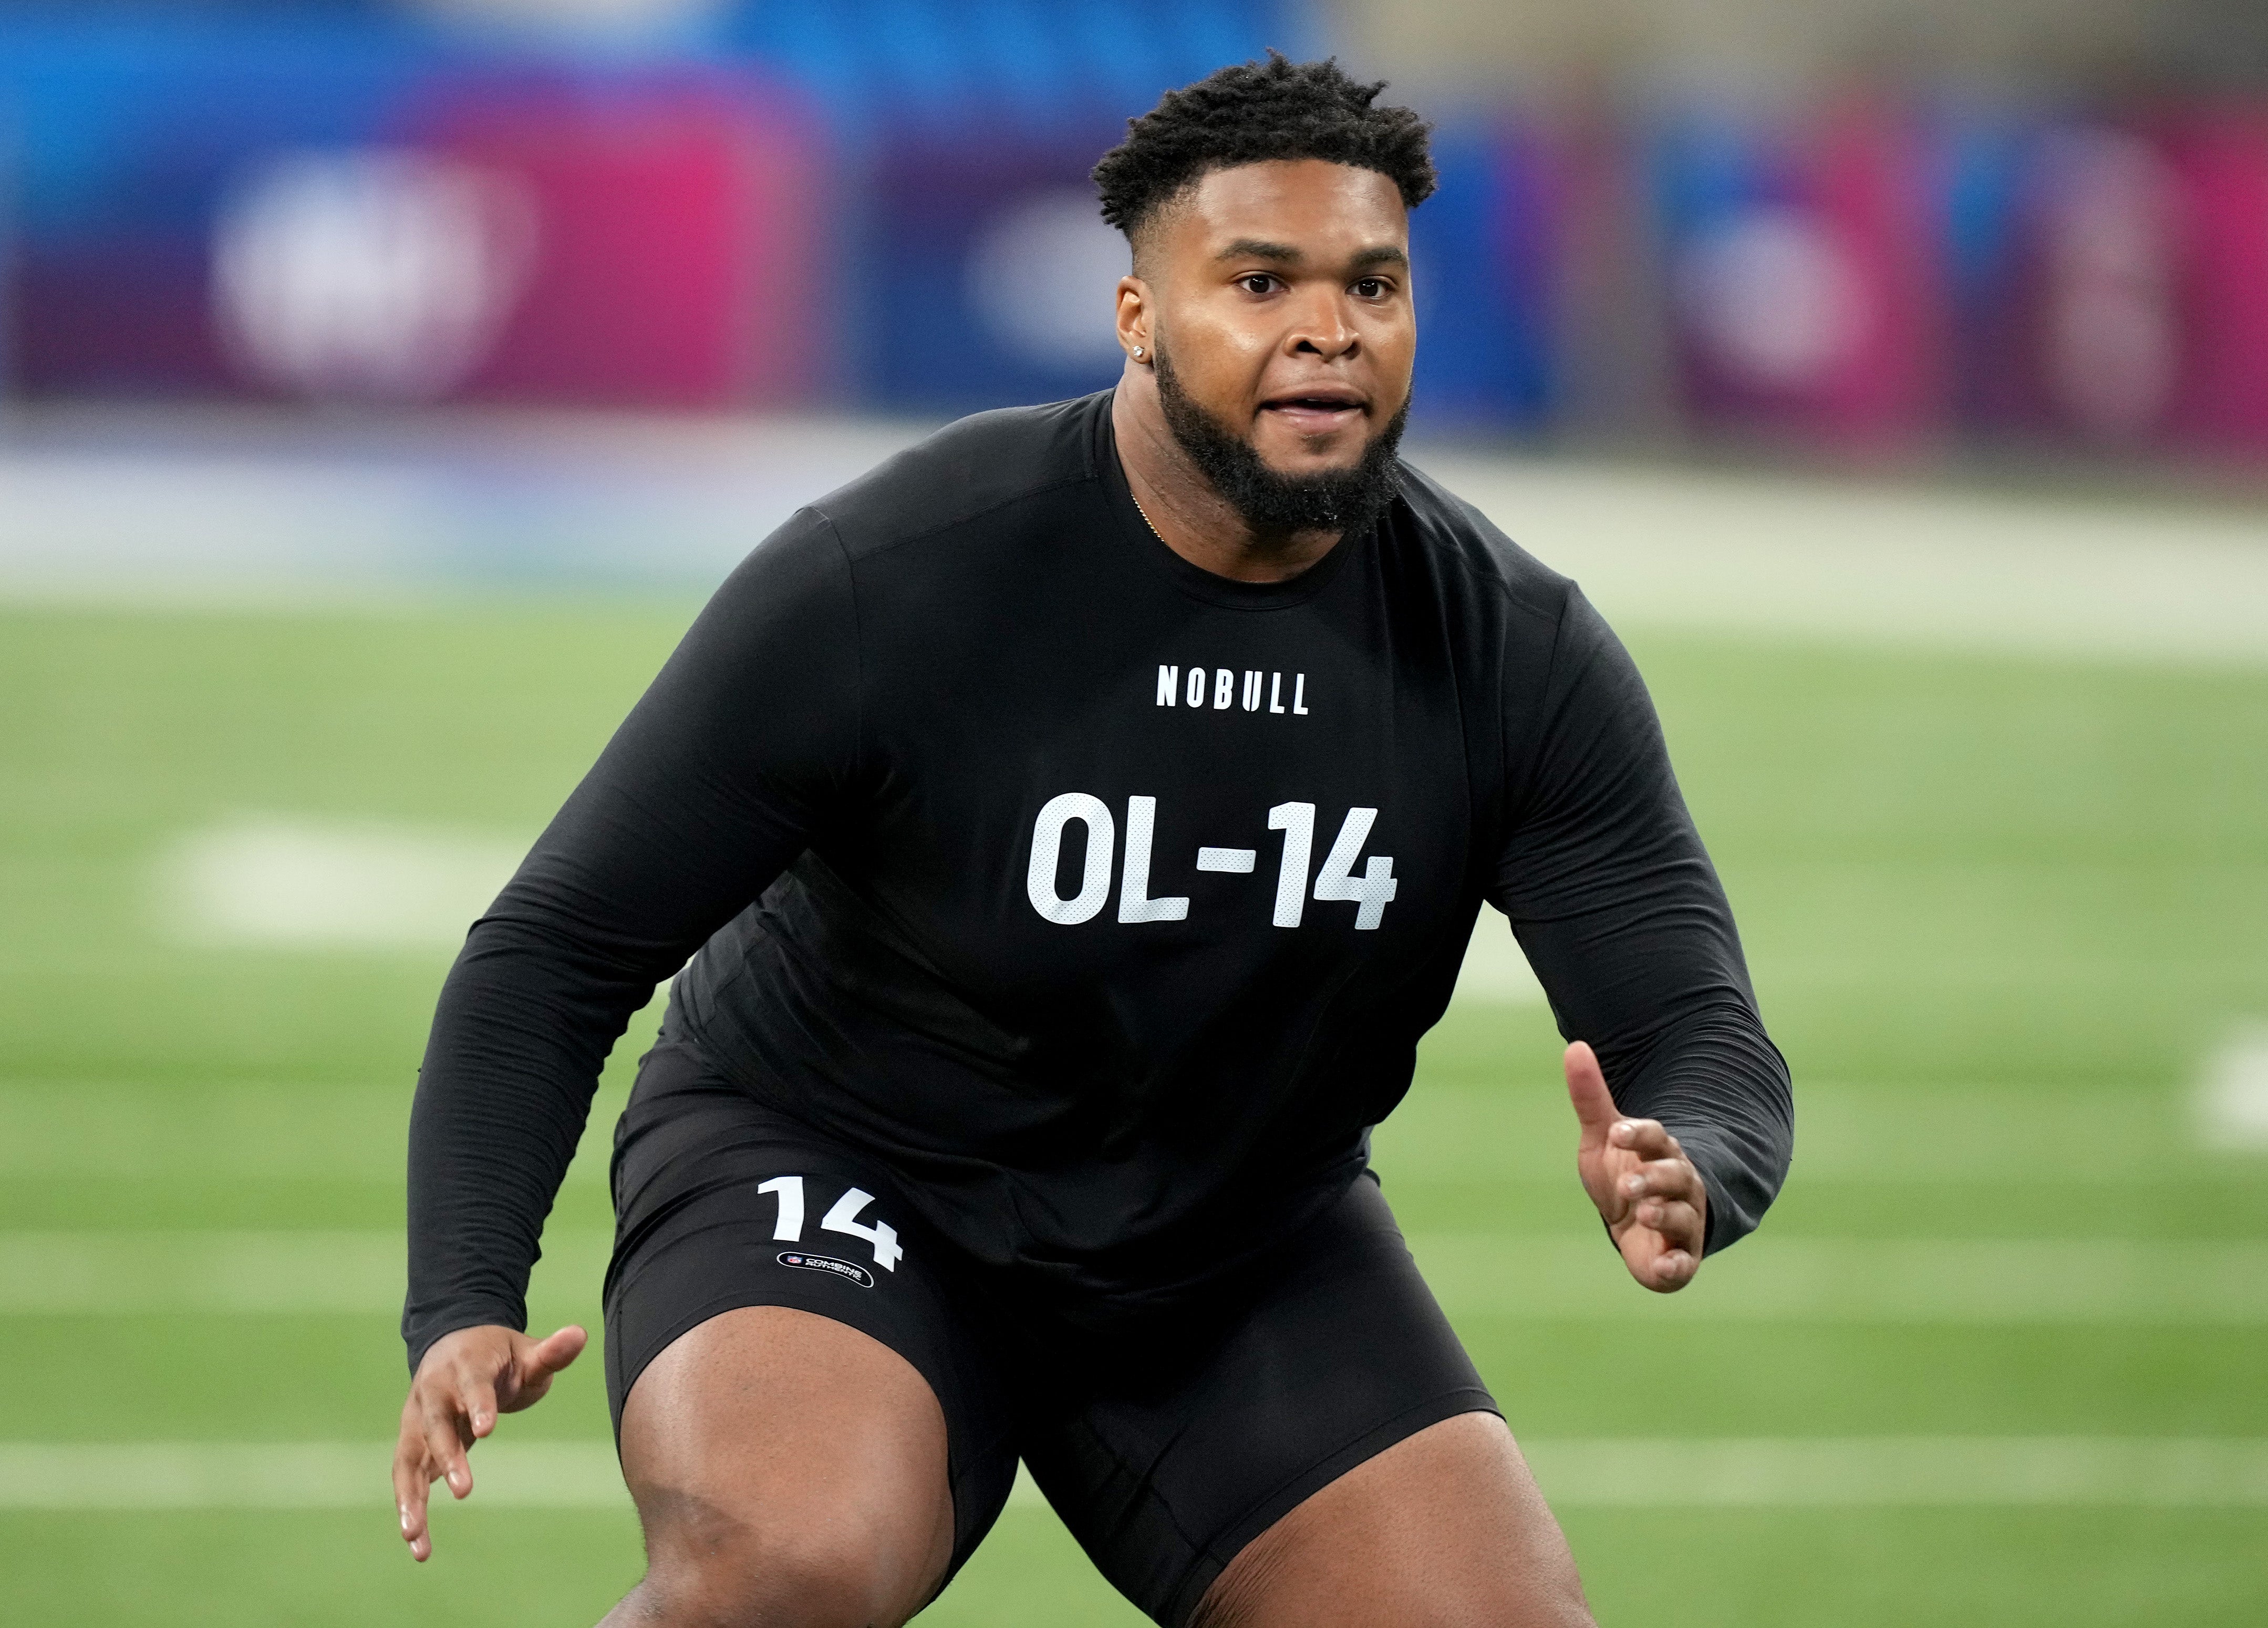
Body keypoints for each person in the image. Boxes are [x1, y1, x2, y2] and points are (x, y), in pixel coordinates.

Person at [393, 52, 1791, 1628]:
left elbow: (1693, 1027)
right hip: (849, 1177)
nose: (1329, 328)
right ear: (1138, 318)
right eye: (1261, 281)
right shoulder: (898, 574)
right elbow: (556, 949)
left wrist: (1698, 1161)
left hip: (1236, 1233)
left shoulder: (1509, 646)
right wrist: (463, 1297)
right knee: (785, 1570)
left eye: (1373, 284)